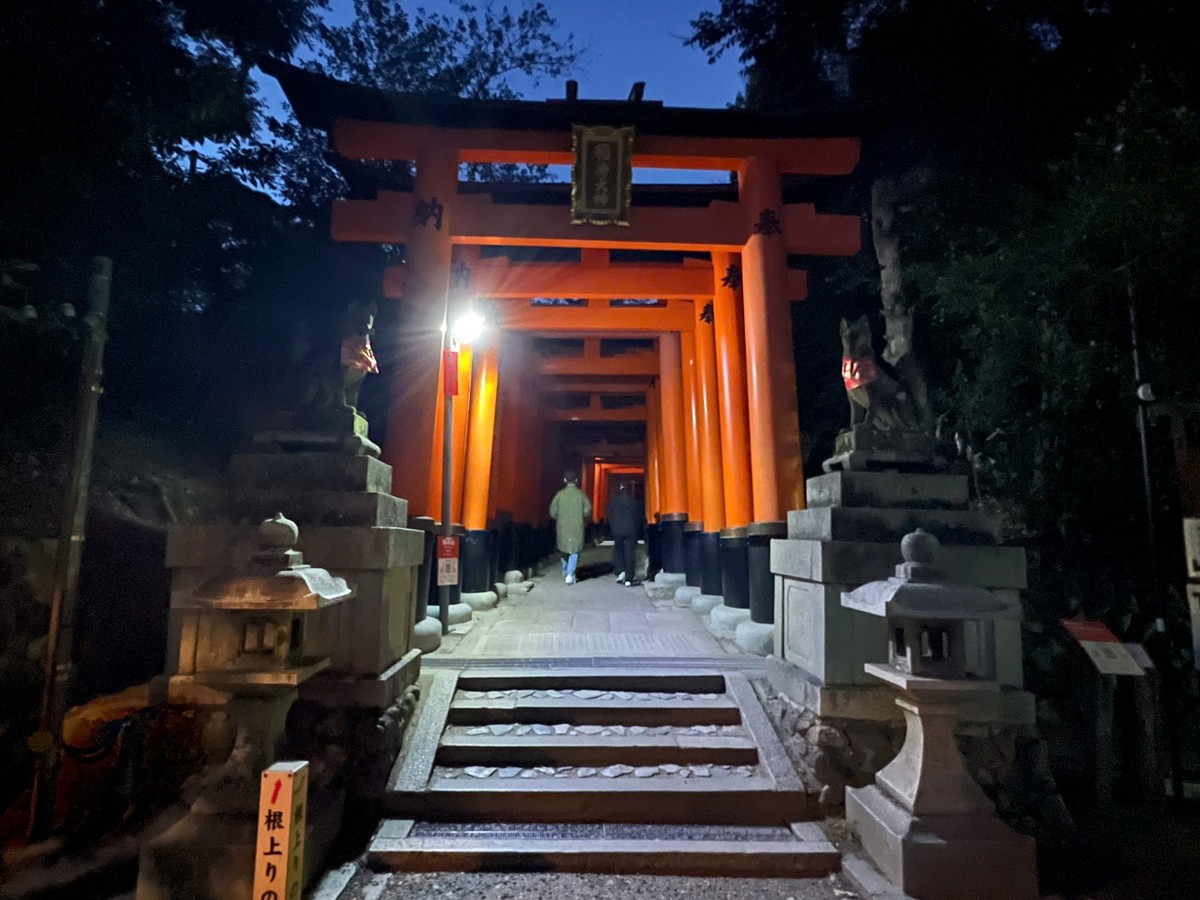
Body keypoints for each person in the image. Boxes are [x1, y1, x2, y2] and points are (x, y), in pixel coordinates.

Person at [549, 471, 592, 585]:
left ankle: (566, 568)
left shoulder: (559, 495)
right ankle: (570, 573)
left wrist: (559, 517)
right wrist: (582, 515)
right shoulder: (581, 495)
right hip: (577, 525)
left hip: (562, 525)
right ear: (576, 480)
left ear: (564, 480)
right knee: (574, 550)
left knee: (563, 548)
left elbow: (553, 511)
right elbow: (588, 509)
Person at [607, 479, 644, 586]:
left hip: (617, 529)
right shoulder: (634, 502)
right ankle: (629, 577)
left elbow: (609, 515)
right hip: (631, 530)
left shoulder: (613, 501)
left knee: (618, 550)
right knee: (630, 552)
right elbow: (639, 517)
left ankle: (620, 571)